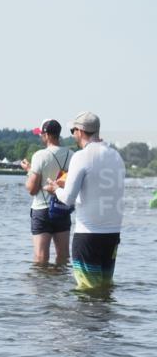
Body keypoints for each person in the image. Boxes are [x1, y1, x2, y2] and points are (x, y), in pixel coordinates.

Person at [43, 111, 125, 290]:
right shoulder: (116, 156)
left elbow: (68, 199)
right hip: (112, 235)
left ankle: (86, 319)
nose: (72, 135)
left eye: (73, 130)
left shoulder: (81, 157)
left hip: (88, 235)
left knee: (87, 291)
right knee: (104, 289)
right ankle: (104, 319)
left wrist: (56, 189)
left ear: (80, 131)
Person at [19, 119, 74, 265]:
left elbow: (32, 189)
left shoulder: (39, 155)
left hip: (42, 209)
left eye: (41, 134)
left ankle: (43, 287)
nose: (40, 137)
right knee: (63, 256)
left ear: (48, 135)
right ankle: (58, 286)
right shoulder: (72, 155)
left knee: (40, 258)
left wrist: (29, 172)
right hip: (62, 208)